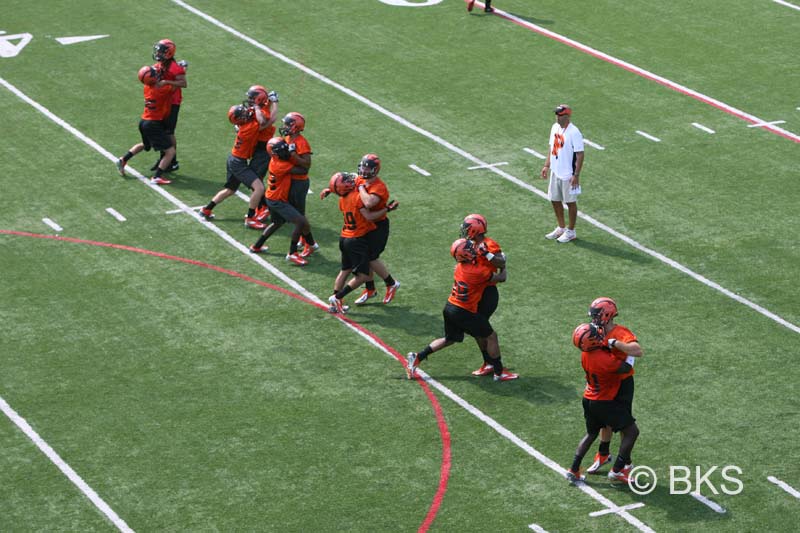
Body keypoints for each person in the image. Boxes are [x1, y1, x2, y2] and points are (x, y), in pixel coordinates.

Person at [406, 239, 518, 382]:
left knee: (450, 339)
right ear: (465, 254)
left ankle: (418, 356)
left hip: (450, 307)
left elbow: (474, 261)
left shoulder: (459, 267)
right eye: (470, 248)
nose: (473, 249)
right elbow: (502, 278)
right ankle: (499, 371)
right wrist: (503, 265)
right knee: (491, 336)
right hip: (464, 312)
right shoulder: (478, 272)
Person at [565, 321, 641, 484]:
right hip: (604, 402)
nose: (599, 333)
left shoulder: (585, 354)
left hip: (588, 399)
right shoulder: (604, 359)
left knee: (591, 434)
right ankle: (618, 470)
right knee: (632, 432)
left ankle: (574, 469)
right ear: (592, 341)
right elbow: (626, 367)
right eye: (595, 333)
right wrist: (621, 347)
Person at [583, 297, 643, 475]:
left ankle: (625, 463)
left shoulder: (620, 332)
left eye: (597, 315)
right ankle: (603, 453)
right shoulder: (595, 330)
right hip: (605, 383)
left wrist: (615, 344)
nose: (593, 319)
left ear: (607, 315)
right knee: (604, 420)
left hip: (622, 383)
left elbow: (637, 351)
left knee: (626, 423)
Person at [323, 172, 395, 314]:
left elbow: (343, 188)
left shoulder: (341, 200)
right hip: (355, 240)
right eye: (346, 181)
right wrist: (387, 209)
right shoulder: (357, 197)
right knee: (363, 275)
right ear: (344, 187)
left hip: (344, 237)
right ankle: (337, 297)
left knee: (344, 271)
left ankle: (334, 304)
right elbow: (369, 216)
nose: (351, 180)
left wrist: (331, 189)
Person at [198, 104, 270, 229]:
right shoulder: (248, 128)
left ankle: (206, 209)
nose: (246, 112)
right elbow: (264, 122)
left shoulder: (243, 125)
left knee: (230, 190)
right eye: (242, 113)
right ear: (239, 119)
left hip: (233, 159)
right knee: (259, 188)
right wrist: (258, 108)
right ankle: (250, 218)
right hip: (238, 163)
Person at [248, 138, 318, 266]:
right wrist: (294, 155)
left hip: (272, 197)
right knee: (301, 221)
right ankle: (292, 253)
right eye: (282, 150)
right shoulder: (281, 165)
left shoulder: (277, 160)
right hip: (277, 200)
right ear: (274, 154)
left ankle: (257, 246)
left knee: (277, 223)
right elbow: (303, 170)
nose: (285, 152)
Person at [460, 214, 508, 377]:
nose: (465, 231)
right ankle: (489, 362)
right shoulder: (470, 244)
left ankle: (495, 366)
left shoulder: (489, 244)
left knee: (482, 330)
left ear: (475, 229)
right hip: (475, 292)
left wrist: (487, 254)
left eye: (467, 228)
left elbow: (501, 262)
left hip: (487, 293)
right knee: (477, 331)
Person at [351, 154, 402, 306]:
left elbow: (368, 203)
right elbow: (343, 181)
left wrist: (360, 186)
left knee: (371, 258)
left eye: (367, 167)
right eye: (363, 166)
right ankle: (370, 289)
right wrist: (331, 188)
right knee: (363, 258)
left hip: (378, 226)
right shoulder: (361, 179)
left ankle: (391, 283)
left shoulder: (379, 187)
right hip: (364, 224)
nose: (363, 170)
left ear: (375, 170)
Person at [115, 65, 176, 185]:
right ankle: (157, 176)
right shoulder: (161, 90)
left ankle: (123, 159)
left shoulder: (147, 87)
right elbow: (175, 86)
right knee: (170, 151)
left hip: (144, 121)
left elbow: (154, 80)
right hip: (153, 123)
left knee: (145, 144)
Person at [540, 104, 584, 243]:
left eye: (560, 115)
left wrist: (576, 175)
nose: (557, 117)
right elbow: (551, 147)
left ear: (567, 116)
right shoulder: (555, 127)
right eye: (557, 115)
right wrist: (547, 165)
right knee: (554, 199)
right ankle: (561, 227)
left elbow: (580, 154)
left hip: (568, 174)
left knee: (570, 202)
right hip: (556, 170)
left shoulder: (574, 132)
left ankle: (571, 231)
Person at [279, 113, 315, 254]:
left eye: (287, 125)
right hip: (290, 181)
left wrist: (294, 156)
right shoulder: (288, 138)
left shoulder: (301, 142)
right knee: (297, 215)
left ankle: (309, 243)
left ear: (295, 127)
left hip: (299, 183)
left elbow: (307, 165)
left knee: (300, 216)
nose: (284, 127)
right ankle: (304, 239)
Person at [150, 39, 187, 172]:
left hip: (173, 102)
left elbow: (183, 83)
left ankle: (172, 161)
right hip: (164, 101)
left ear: (168, 53)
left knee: (168, 132)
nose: (158, 53)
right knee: (162, 131)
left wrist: (166, 82)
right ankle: (165, 158)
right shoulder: (162, 64)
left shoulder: (174, 67)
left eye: (161, 51)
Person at [245, 85, 280, 223]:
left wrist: (273, 103)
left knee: (254, 180)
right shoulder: (262, 106)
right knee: (254, 180)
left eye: (252, 98)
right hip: (258, 147)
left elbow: (264, 121)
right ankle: (263, 206)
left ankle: (265, 206)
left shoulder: (262, 112)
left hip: (263, 149)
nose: (249, 100)